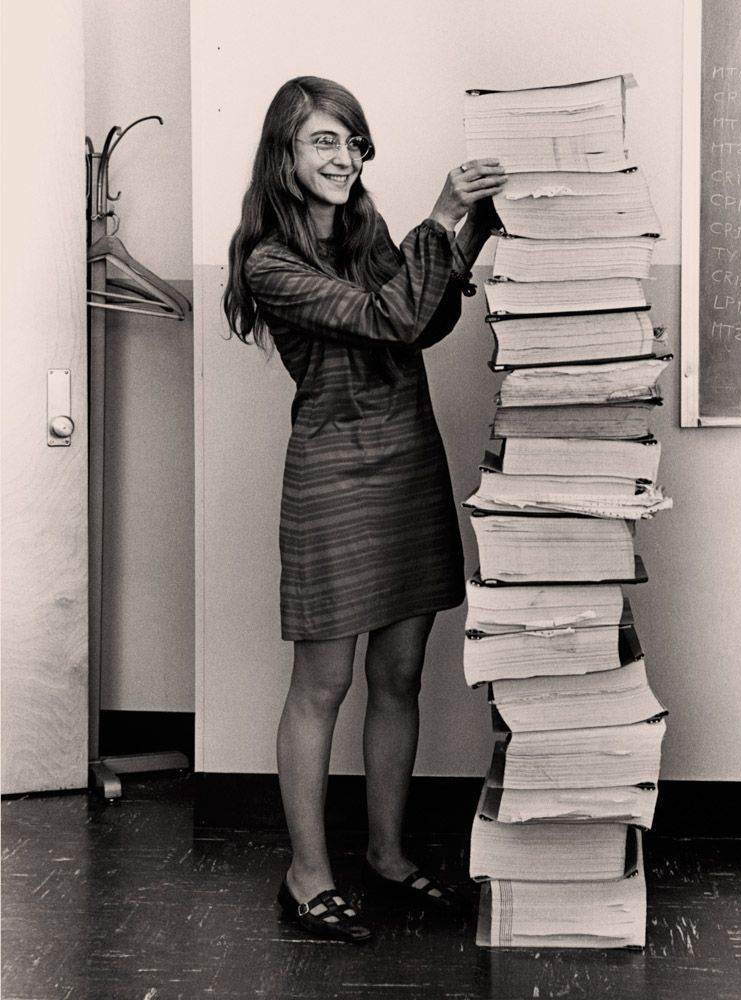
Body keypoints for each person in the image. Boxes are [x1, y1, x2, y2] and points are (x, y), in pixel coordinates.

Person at [223, 75, 506, 943]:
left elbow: (418, 321)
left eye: (351, 141)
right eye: (323, 141)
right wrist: (441, 213)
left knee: (396, 676)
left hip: (405, 461)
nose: (343, 157)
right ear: (284, 151)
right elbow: (386, 316)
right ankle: (306, 877)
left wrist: (478, 223)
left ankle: (384, 854)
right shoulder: (269, 261)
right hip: (333, 476)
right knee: (324, 684)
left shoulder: (364, 228)